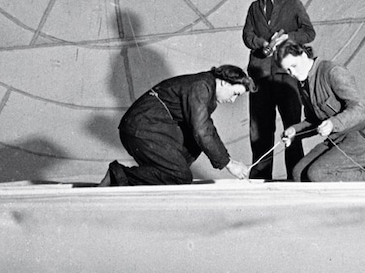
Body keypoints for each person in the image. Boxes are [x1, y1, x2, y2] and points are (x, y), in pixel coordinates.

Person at [99, 66, 255, 186]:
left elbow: (207, 130)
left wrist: (226, 159)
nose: (233, 100)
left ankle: (166, 173)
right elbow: (202, 131)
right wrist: (228, 164)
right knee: (181, 176)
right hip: (141, 128)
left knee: (195, 144)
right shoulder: (202, 87)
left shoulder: (205, 85)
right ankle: (118, 175)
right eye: (235, 93)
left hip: (148, 127)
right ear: (223, 82)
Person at [275, 41, 365, 182]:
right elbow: (314, 120)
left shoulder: (332, 71)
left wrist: (332, 123)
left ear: (304, 55)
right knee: (298, 174)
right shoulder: (304, 82)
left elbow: (360, 108)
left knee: (318, 174)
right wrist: (295, 131)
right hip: (338, 140)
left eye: (293, 66)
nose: (292, 73)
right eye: (287, 70)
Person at [242, 0, 315, 180]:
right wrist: (262, 45)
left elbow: (309, 32)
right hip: (260, 76)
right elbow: (247, 35)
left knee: (293, 127)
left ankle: (296, 176)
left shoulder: (293, 3)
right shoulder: (254, 7)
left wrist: (287, 38)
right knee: (259, 131)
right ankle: (260, 178)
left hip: (286, 77)